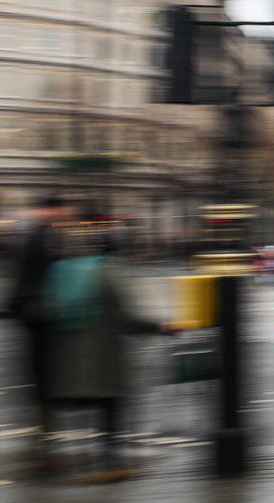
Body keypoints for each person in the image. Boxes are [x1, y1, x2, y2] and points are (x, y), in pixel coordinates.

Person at [40, 220, 170, 481]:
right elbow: (126, 317)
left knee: (86, 405)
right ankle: (111, 458)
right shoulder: (109, 271)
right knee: (111, 404)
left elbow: (47, 309)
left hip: (71, 356)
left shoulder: (66, 269)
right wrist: (158, 326)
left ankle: (82, 457)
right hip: (104, 356)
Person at [7, 196, 70, 452]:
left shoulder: (39, 236)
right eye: (61, 210)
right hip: (39, 315)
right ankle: (45, 425)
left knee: (41, 371)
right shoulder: (40, 238)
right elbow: (39, 277)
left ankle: (44, 423)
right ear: (48, 210)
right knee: (42, 371)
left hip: (35, 314)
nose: (65, 214)